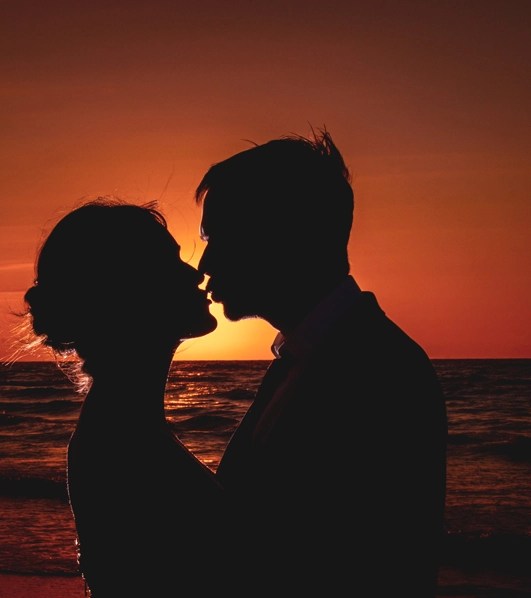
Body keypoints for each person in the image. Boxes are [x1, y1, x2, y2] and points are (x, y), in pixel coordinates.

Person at [197, 130, 448, 596]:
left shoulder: (381, 372)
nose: (205, 263)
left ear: (280, 235)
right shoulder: (305, 357)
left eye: (218, 238)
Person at [23, 200, 233, 597]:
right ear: (130, 290)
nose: (196, 273)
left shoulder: (123, 421)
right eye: (172, 263)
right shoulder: (122, 439)